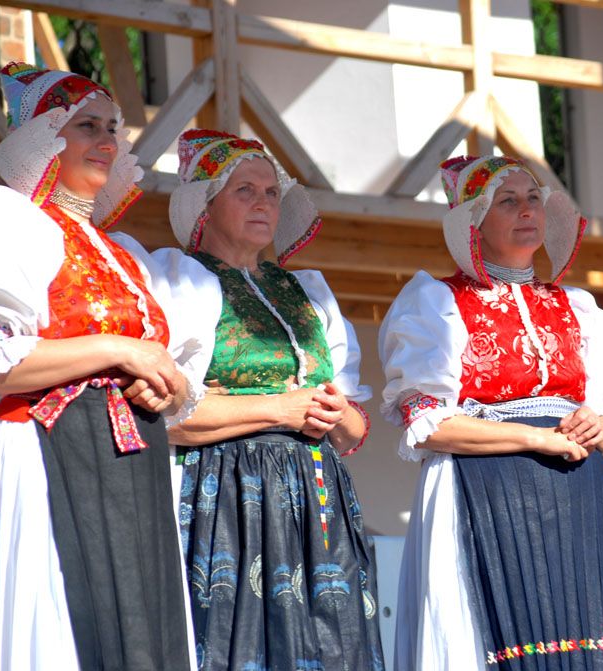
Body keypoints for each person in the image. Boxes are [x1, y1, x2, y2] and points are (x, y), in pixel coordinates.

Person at [0, 62, 211, 669]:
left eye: (113, 128)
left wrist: (162, 388)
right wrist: (121, 350)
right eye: (87, 126)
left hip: (129, 461)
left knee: (140, 632)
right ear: (44, 139)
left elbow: (170, 371)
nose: (108, 141)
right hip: (40, 450)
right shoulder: (9, 219)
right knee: (58, 629)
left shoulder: (128, 255)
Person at [380, 155, 603, 670]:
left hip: (581, 493)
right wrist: (536, 439)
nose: (527, 211)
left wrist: (601, 424)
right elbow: (429, 425)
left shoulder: (577, 305)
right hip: (484, 483)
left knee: (594, 638)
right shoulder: (435, 302)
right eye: (506, 202)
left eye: (534, 199)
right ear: (474, 222)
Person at [162, 128, 384, 671]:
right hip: (227, 490)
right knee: (236, 643)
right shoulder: (181, 279)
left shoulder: (307, 292)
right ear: (205, 205)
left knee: (334, 644)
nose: (263, 202)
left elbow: (354, 429)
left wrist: (338, 416)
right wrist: (278, 409)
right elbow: (168, 418)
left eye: (270, 192)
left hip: (317, 492)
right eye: (244, 190)